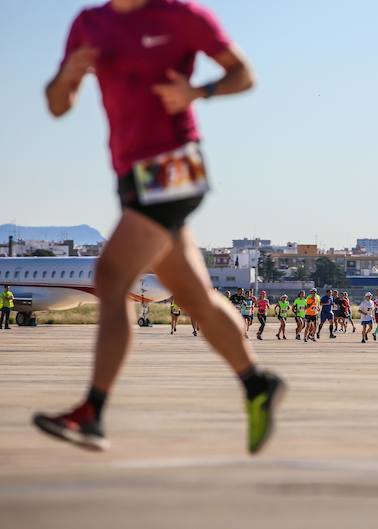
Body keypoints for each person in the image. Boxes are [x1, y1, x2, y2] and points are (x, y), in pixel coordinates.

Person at [33, 0, 283, 454]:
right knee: (194, 298)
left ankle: (92, 411)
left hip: (174, 167)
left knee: (111, 277)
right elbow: (57, 106)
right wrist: (68, 75)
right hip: (130, 176)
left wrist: (199, 93)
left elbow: (243, 73)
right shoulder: (91, 23)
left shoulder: (182, 15)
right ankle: (257, 383)